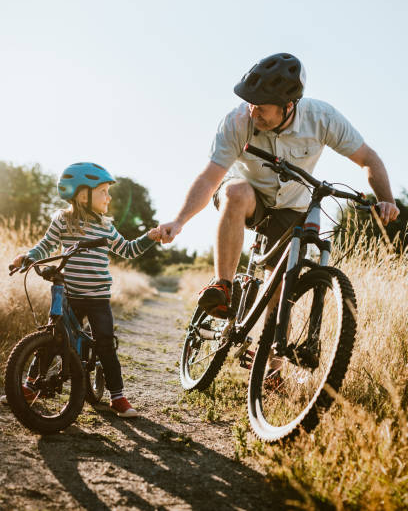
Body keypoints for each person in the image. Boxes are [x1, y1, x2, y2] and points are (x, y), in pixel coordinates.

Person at [156, 52, 399, 320]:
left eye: (261, 106)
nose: (252, 110)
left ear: (289, 105)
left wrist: (387, 199)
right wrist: (179, 221)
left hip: (291, 205)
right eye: (250, 103)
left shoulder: (322, 118)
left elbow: (368, 158)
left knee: (279, 291)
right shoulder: (237, 122)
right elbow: (209, 179)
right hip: (247, 194)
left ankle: (271, 357)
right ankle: (223, 287)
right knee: (235, 192)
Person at [5, 162, 161, 418]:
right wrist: (27, 257)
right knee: (52, 336)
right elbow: (45, 246)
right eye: (103, 191)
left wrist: (150, 237)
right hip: (70, 295)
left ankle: (118, 397)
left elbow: (128, 249)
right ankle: (31, 386)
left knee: (105, 345)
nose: (109, 197)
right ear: (82, 195)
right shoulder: (62, 221)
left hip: (98, 298)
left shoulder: (106, 226)